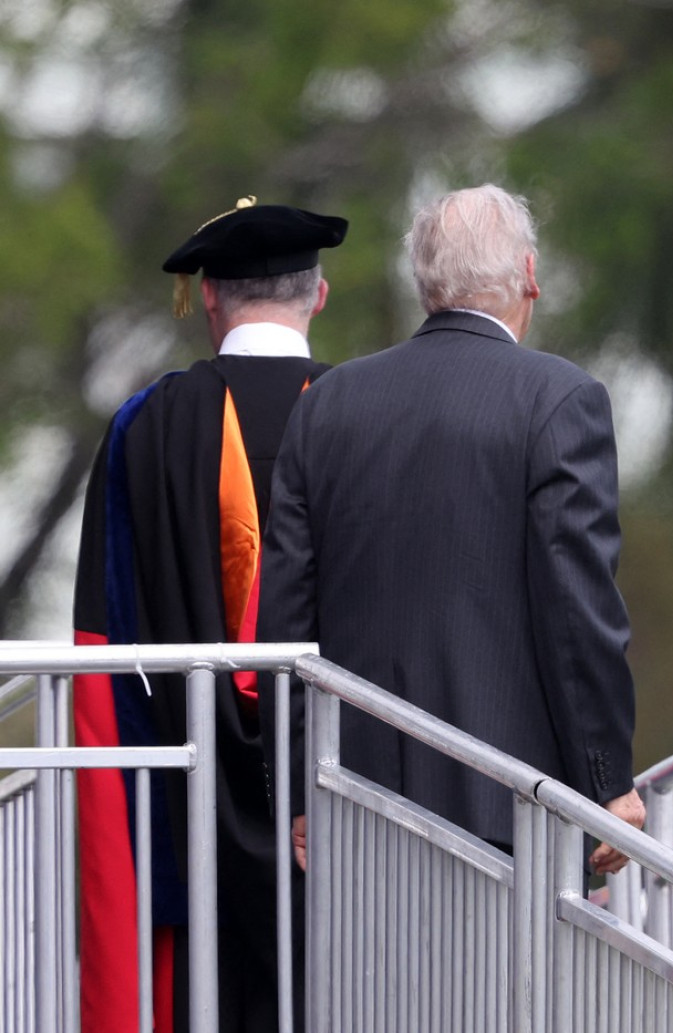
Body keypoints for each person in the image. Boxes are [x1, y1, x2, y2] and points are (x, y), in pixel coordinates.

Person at [258, 184, 645, 876]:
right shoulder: (560, 401)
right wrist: (607, 779)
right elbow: (576, 613)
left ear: (424, 283)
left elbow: (286, 622)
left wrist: (297, 787)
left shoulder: (327, 405)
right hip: (510, 815)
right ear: (528, 276)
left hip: (352, 804)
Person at [73, 197, 347, 1033]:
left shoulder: (144, 425)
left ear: (214, 298)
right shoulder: (365, 416)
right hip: (338, 796)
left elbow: (100, 640)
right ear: (320, 294)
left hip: (183, 797)